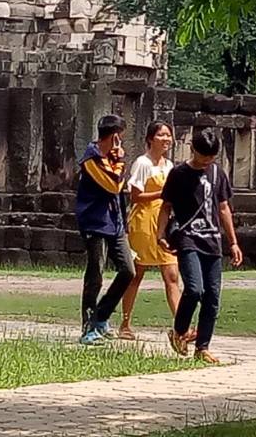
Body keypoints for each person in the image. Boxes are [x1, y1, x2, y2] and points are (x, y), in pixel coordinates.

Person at [156, 127, 243, 364]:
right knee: (194, 289)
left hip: (212, 240)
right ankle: (179, 330)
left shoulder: (217, 173)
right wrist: (160, 233)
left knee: (212, 296)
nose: (207, 162)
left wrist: (233, 242)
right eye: (203, 157)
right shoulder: (178, 174)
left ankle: (202, 346)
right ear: (192, 150)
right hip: (188, 238)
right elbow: (166, 207)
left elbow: (223, 208)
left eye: (211, 158)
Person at [118, 120, 182, 340]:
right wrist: (162, 193)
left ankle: (181, 326)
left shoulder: (170, 166)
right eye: (162, 135)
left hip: (163, 220)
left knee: (172, 274)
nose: (166, 139)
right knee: (137, 273)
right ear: (150, 139)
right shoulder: (142, 163)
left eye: (168, 135)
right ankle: (125, 323)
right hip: (144, 221)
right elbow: (135, 196)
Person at [75, 113, 135, 344]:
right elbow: (112, 185)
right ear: (113, 137)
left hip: (115, 223)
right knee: (95, 275)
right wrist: (120, 162)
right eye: (119, 138)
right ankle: (88, 326)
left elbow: (120, 193)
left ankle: (101, 316)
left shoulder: (112, 159)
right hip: (95, 223)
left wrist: (124, 223)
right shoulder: (91, 160)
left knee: (127, 270)